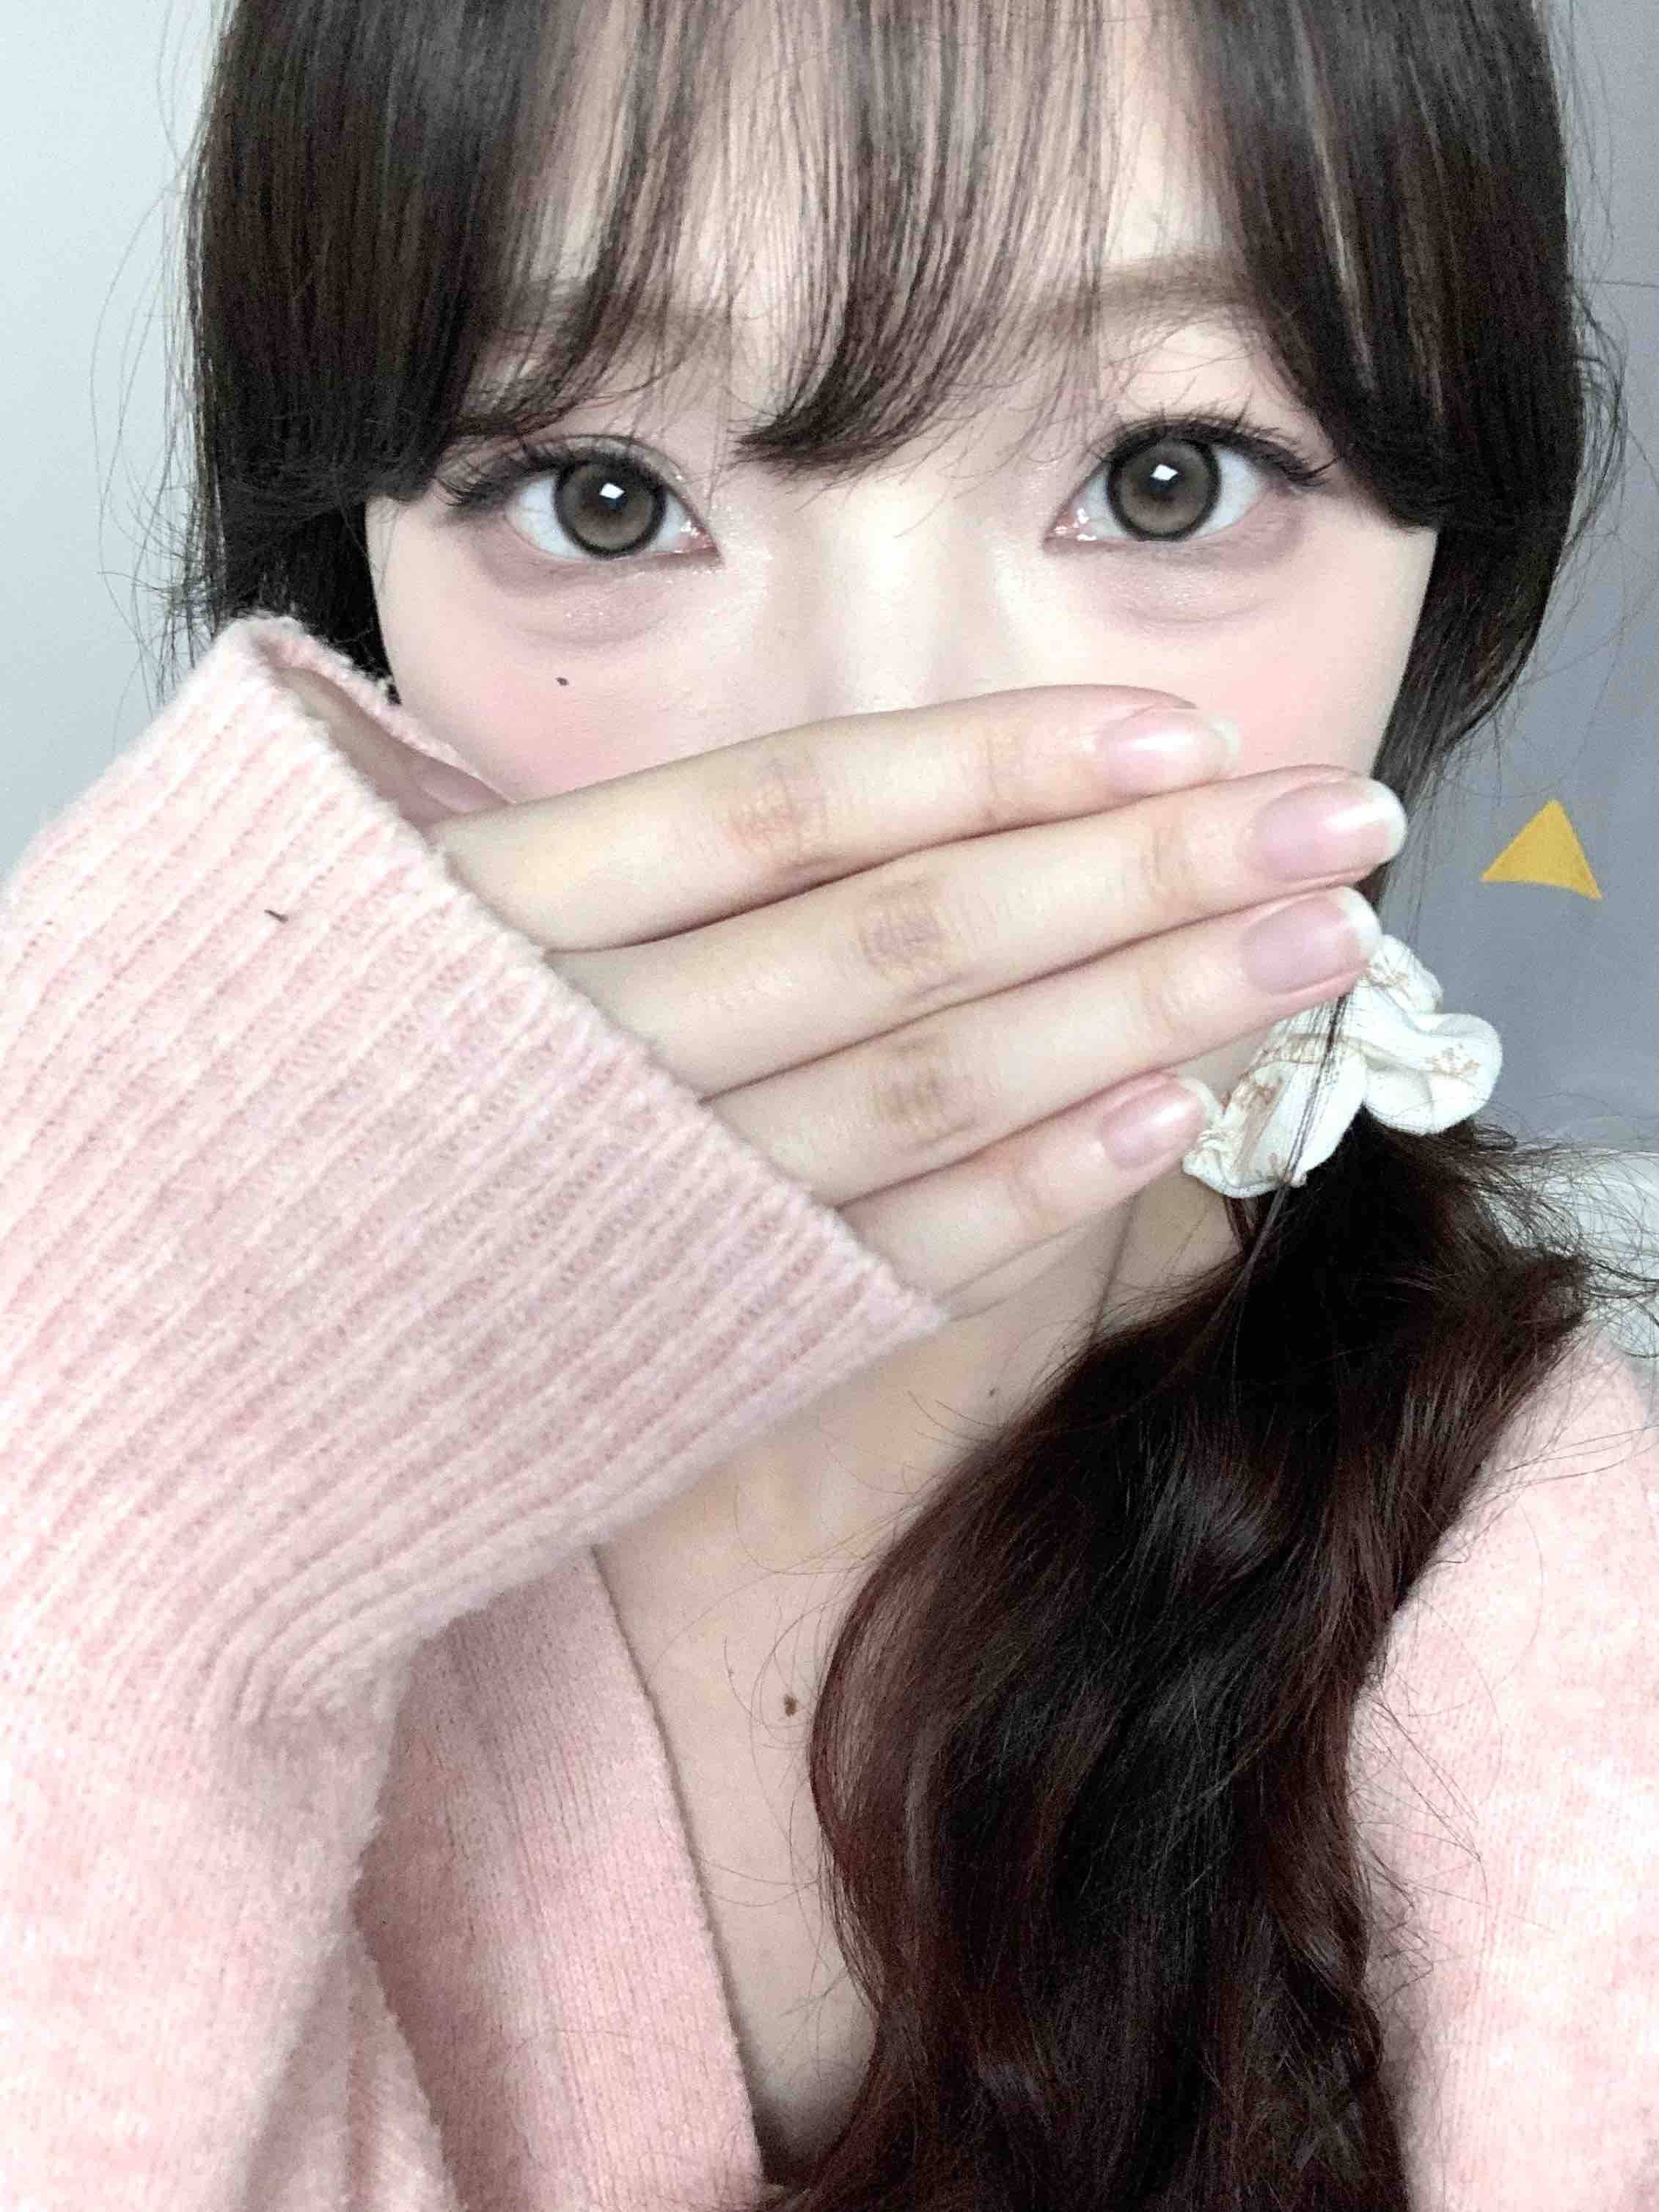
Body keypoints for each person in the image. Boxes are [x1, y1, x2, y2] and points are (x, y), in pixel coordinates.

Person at [1, 0, 1655, 2205]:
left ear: (1447, 556)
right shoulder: (99, 1441)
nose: (880, 748)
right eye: (606, 496)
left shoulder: (1548, 1607)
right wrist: (96, 1502)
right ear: (349, 579)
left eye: (1167, 475)